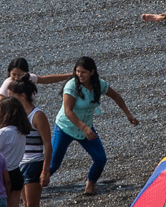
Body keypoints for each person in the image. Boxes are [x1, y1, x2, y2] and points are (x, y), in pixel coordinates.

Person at [46, 56, 136, 196]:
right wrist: (84, 128)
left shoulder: (99, 85)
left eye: (83, 72)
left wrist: (128, 114)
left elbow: (116, 96)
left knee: (100, 159)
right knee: (52, 165)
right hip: (65, 128)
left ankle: (89, 188)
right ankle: (30, 187)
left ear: (92, 72)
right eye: (77, 71)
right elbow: (68, 111)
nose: (80, 75)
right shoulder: (71, 86)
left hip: (85, 129)